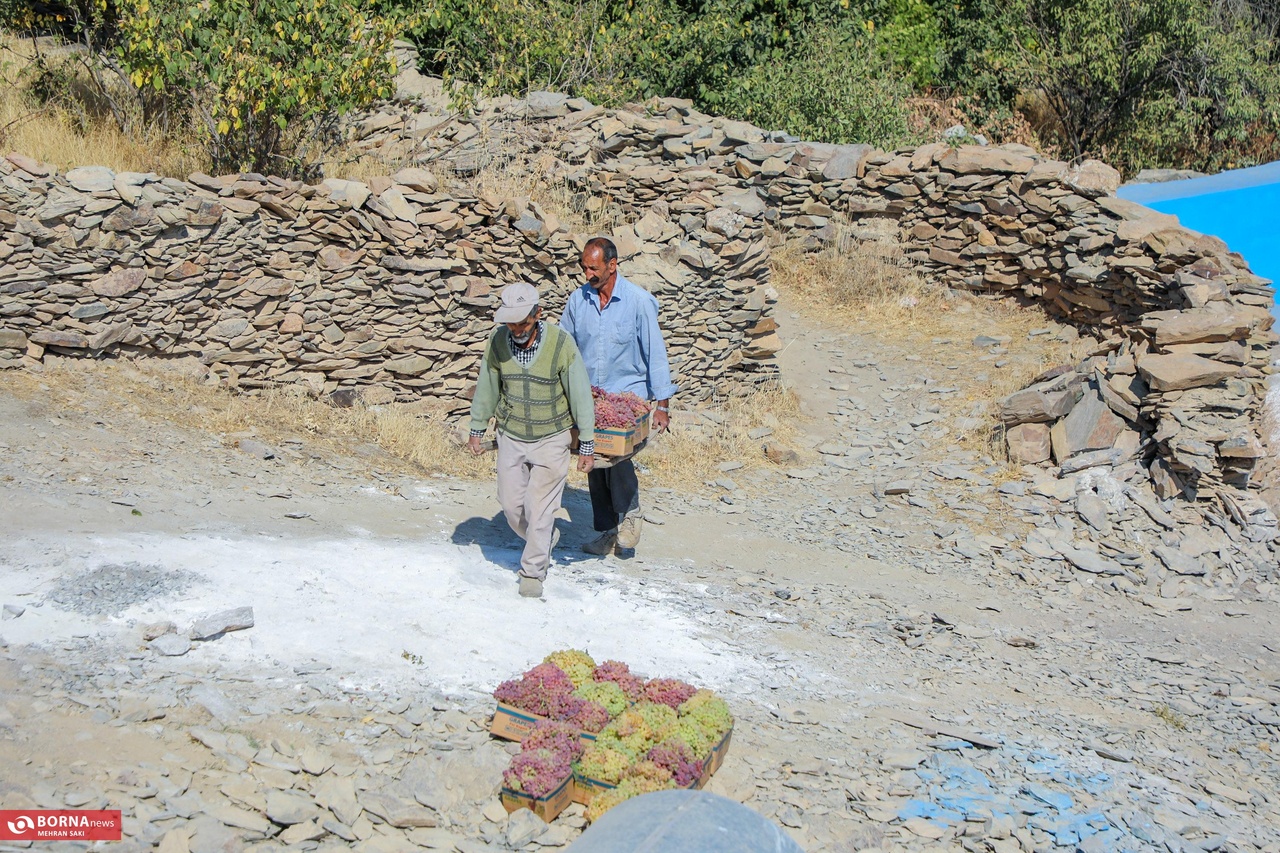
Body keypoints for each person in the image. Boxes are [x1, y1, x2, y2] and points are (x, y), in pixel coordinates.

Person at [468, 282, 596, 598]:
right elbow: (488, 385)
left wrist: (587, 442)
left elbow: (580, 393)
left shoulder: (561, 344)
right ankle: (543, 538)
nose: (515, 329)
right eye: (510, 323)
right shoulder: (497, 341)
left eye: (521, 323)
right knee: (512, 507)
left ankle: (532, 572)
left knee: (540, 509)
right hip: (511, 435)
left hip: (552, 437)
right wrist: (477, 427)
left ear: (538, 314)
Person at [560, 237, 677, 556]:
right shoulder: (578, 301)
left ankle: (630, 515)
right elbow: (564, 347)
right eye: (584, 268)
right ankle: (608, 531)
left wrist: (662, 405)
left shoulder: (638, 302)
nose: (587, 274)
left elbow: (655, 353)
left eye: (593, 268)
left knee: (617, 458)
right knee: (594, 459)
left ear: (612, 265)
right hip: (591, 398)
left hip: (628, 399)